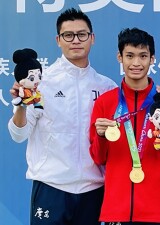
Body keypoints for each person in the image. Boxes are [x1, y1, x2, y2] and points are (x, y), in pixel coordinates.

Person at [8, 8, 117, 225]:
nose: (75, 40)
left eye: (82, 34)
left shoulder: (107, 87)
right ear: (58, 40)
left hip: (93, 189)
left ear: (92, 38)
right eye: (68, 35)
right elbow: (19, 134)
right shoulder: (41, 83)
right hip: (51, 187)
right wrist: (21, 105)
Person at [89, 27, 160, 225]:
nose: (136, 63)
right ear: (119, 57)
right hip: (115, 210)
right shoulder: (105, 103)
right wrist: (100, 136)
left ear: (152, 59)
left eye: (143, 56)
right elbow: (98, 157)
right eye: (129, 56)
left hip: (154, 211)